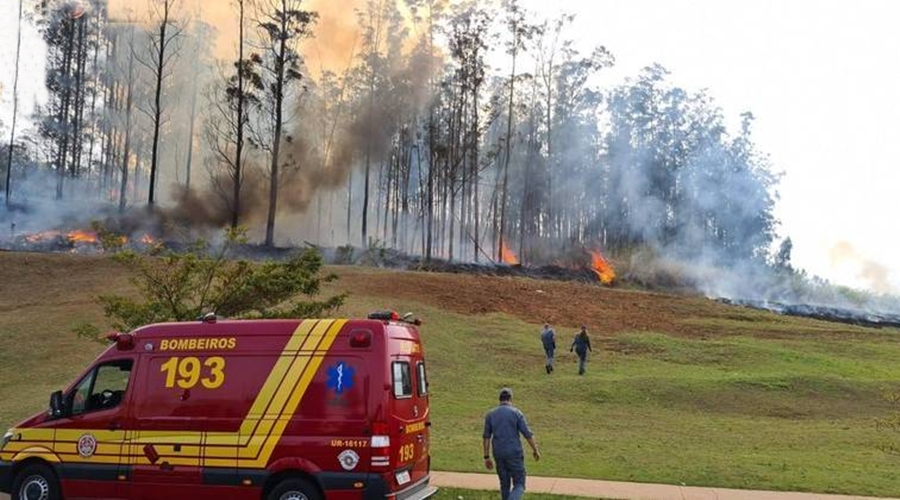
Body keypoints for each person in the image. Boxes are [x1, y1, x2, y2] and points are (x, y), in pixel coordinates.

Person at [483, 388, 541, 500]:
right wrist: (535, 449)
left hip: (498, 453)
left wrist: (486, 456)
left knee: (504, 484)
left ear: (499, 399)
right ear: (510, 399)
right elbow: (527, 434)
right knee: (519, 484)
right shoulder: (516, 413)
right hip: (514, 452)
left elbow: (486, 437)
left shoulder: (490, 415)